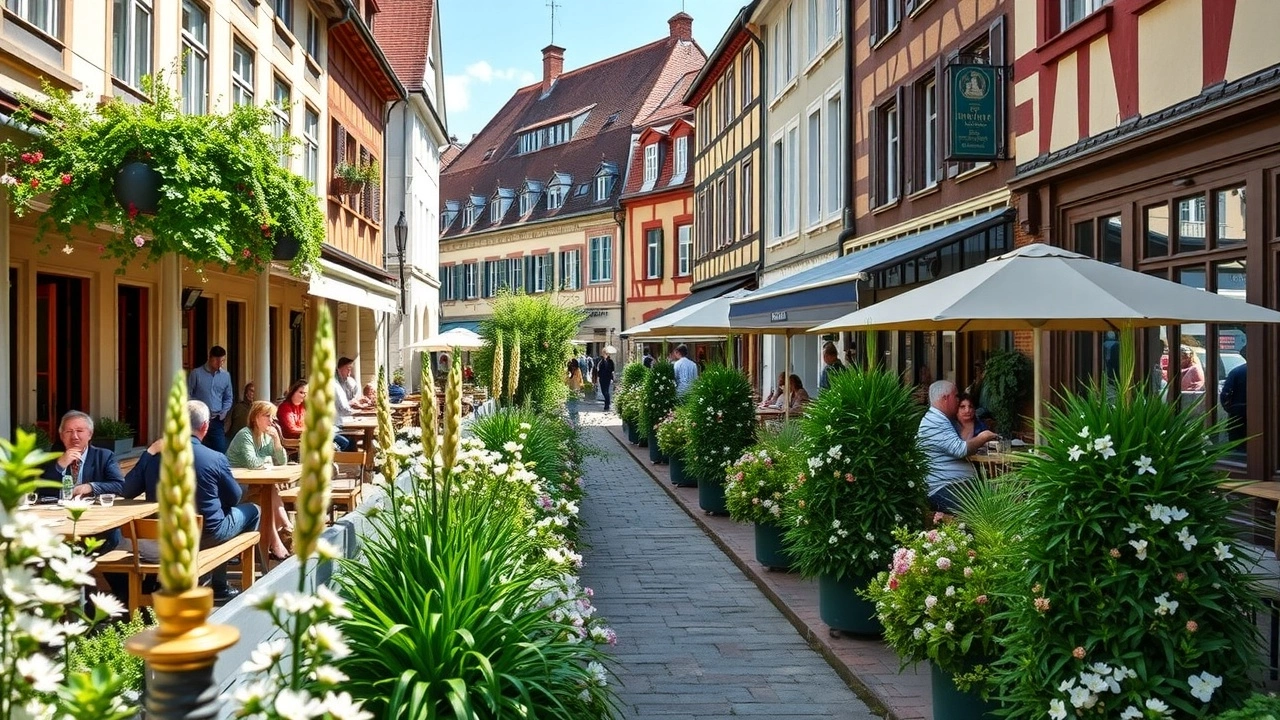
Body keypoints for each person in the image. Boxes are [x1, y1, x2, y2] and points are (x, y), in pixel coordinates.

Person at [188, 400, 261, 601]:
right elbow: (235, 496)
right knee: (254, 510)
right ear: (205, 426)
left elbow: (128, 489)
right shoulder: (214, 457)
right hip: (207, 532)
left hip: (164, 532)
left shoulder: (154, 455)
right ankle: (220, 584)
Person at [44, 411, 127, 553]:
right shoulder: (51, 459)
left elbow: (120, 485)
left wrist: (90, 487)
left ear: (90, 434)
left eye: (79, 431)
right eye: (69, 431)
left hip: (95, 522)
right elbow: (39, 490)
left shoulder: (104, 456)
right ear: (61, 436)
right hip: (58, 522)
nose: (74, 436)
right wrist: (59, 466)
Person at [917, 380, 999, 513]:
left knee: (1000, 496)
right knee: (994, 506)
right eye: (956, 396)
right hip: (943, 488)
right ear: (945, 398)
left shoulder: (941, 419)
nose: (958, 400)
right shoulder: (934, 421)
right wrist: (983, 437)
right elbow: (960, 449)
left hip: (956, 484)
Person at [226, 400, 291, 561]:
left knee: (270, 489)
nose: (271, 421)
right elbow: (253, 463)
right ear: (255, 417)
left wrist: (277, 441)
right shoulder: (245, 435)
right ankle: (281, 534)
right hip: (236, 486)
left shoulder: (266, 436)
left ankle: (280, 534)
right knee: (266, 493)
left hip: (254, 482)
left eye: (272, 417)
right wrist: (267, 461)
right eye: (267, 416)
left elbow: (281, 461)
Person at [188, 346, 234, 452]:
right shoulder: (196, 374)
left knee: (220, 449)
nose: (219, 364)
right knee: (197, 450)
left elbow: (228, 397)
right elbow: (188, 395)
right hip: (198, 419)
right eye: (216, 360)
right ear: (210, 358)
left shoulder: (226, 376)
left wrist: (223, 413)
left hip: (217, 419)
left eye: (222, 361)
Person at [1220, 344, 1248, 443]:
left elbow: (1225, 394)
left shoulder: (1236, 372)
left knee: (1237, 445)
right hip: (1264, 415)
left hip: (1238, 414)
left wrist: (1231, 409)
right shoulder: (1270, 371)